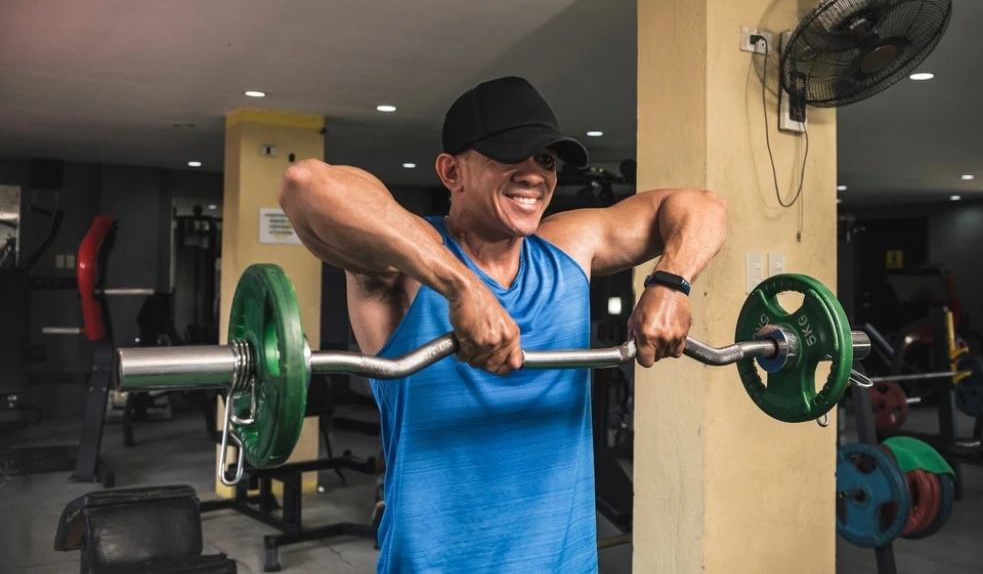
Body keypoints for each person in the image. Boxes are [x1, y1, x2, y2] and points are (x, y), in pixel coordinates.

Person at [277, 76, 728, 573]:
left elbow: (702, 205)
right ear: (452, 171)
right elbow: (307, 185)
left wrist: (671, 281)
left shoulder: (569, 246)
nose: (535, 174)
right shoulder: (403, 263)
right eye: (512, 154)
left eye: (547, 160)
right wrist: (461, 287)